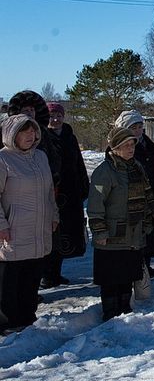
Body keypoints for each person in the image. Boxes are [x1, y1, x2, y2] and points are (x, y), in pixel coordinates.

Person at [87, 127, 154, 321]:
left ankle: (125, 307)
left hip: (132, 233)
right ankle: (110, 312)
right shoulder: (104, 171)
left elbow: (146, 195)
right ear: (115, 147)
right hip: (111, 235)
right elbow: (95, 203)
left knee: (127, 273)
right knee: (110, 277)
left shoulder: (137, 167)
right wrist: (99, 231)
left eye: (132, 144)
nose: (130, 148)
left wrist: (149, 219)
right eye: (125, 145)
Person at [0, 115, 58, 332]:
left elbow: (49, 192)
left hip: (38, 229)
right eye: (25, 132)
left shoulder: (40, 157)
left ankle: (27, 319)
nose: (30, 136)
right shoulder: (3, 159)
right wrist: (1, 225)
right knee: (9, 281)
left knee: (31, 278)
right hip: (12, 231)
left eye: (33, 132)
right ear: (12, 135)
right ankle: (7, 324)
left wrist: (54, 215)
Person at [113, 111, 154, 279]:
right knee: (135, 234)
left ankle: (147, 265)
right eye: (133, 127)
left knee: (150, 231)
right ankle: (135, 266)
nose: (137, 131)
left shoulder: (150, 146)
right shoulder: (119, 147)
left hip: (152, 193)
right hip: (131, 196)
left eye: (139, 127)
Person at [42, 102, 90, 287]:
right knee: (52, 234)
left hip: (71, 190)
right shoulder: (42, 137)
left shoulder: (70, 136)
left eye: (58, 115)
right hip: (53, 191)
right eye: (52, 116)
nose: (55, 119)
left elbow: (78, 162)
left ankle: (57, 272)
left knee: (67, 233)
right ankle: (47, 274)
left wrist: (84, 185)